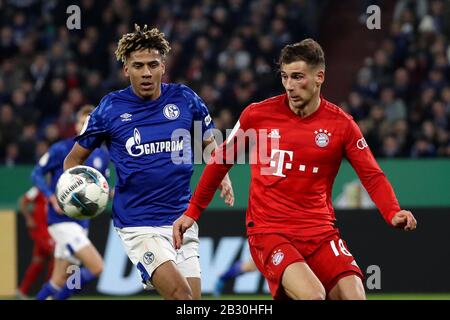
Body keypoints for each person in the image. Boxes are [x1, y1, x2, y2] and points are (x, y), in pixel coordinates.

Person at [173, 39, 417, 300]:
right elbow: (220, 161)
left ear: (319, 77)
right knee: (312, 296)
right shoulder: (258, 116)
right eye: (285, 77)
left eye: (297, 77)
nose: (289, 86)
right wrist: (192, 212)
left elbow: (371, 175)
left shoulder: (341, 125)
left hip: (321, 231)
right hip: (269, 230)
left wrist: (393, 211)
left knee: (354, 295)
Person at [63, 24, 234, 300]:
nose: (146, 72)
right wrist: (78, 192)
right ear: (125, 69)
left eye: (153, 64)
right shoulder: (110, 108)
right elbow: (73, 161)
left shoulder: (185, 99)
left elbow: (208, 141)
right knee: (182, 296)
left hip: (182, 219)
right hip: (138, 223)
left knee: (194, 303)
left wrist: (221, 175)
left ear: (163, 67)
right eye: (138, 65)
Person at [34, 105, 110, 300]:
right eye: (82, 122)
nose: (86, 126)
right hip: (62, 221)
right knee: (97, 267)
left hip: (82, 223)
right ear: (76, 126)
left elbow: (103, 189)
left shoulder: (102, 155)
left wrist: (112, 194)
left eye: (90, 123)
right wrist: (51, 196)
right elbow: (36, 174)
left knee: (59, 280)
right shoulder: (61, 149)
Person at [17, 187, 54, 299]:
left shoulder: (58, 189)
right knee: (56, 255)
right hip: (41, 231)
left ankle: (22, 290)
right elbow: (22, 201)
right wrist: (29, 218)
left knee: (38, 261)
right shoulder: (39, 189)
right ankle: (50, 290)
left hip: (52, 230)